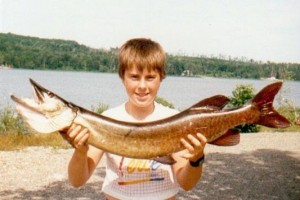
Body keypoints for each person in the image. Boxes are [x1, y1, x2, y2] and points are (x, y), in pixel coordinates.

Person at [62, 38, 207, 200]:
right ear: (123, 78)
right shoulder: (107, 120)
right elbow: (77, 181)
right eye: (134, 77)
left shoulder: (175, 120)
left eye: (150, 77)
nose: (142, 86)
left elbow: (187, 183)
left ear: (161, 78)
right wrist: (80, 151)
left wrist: (196, 159)